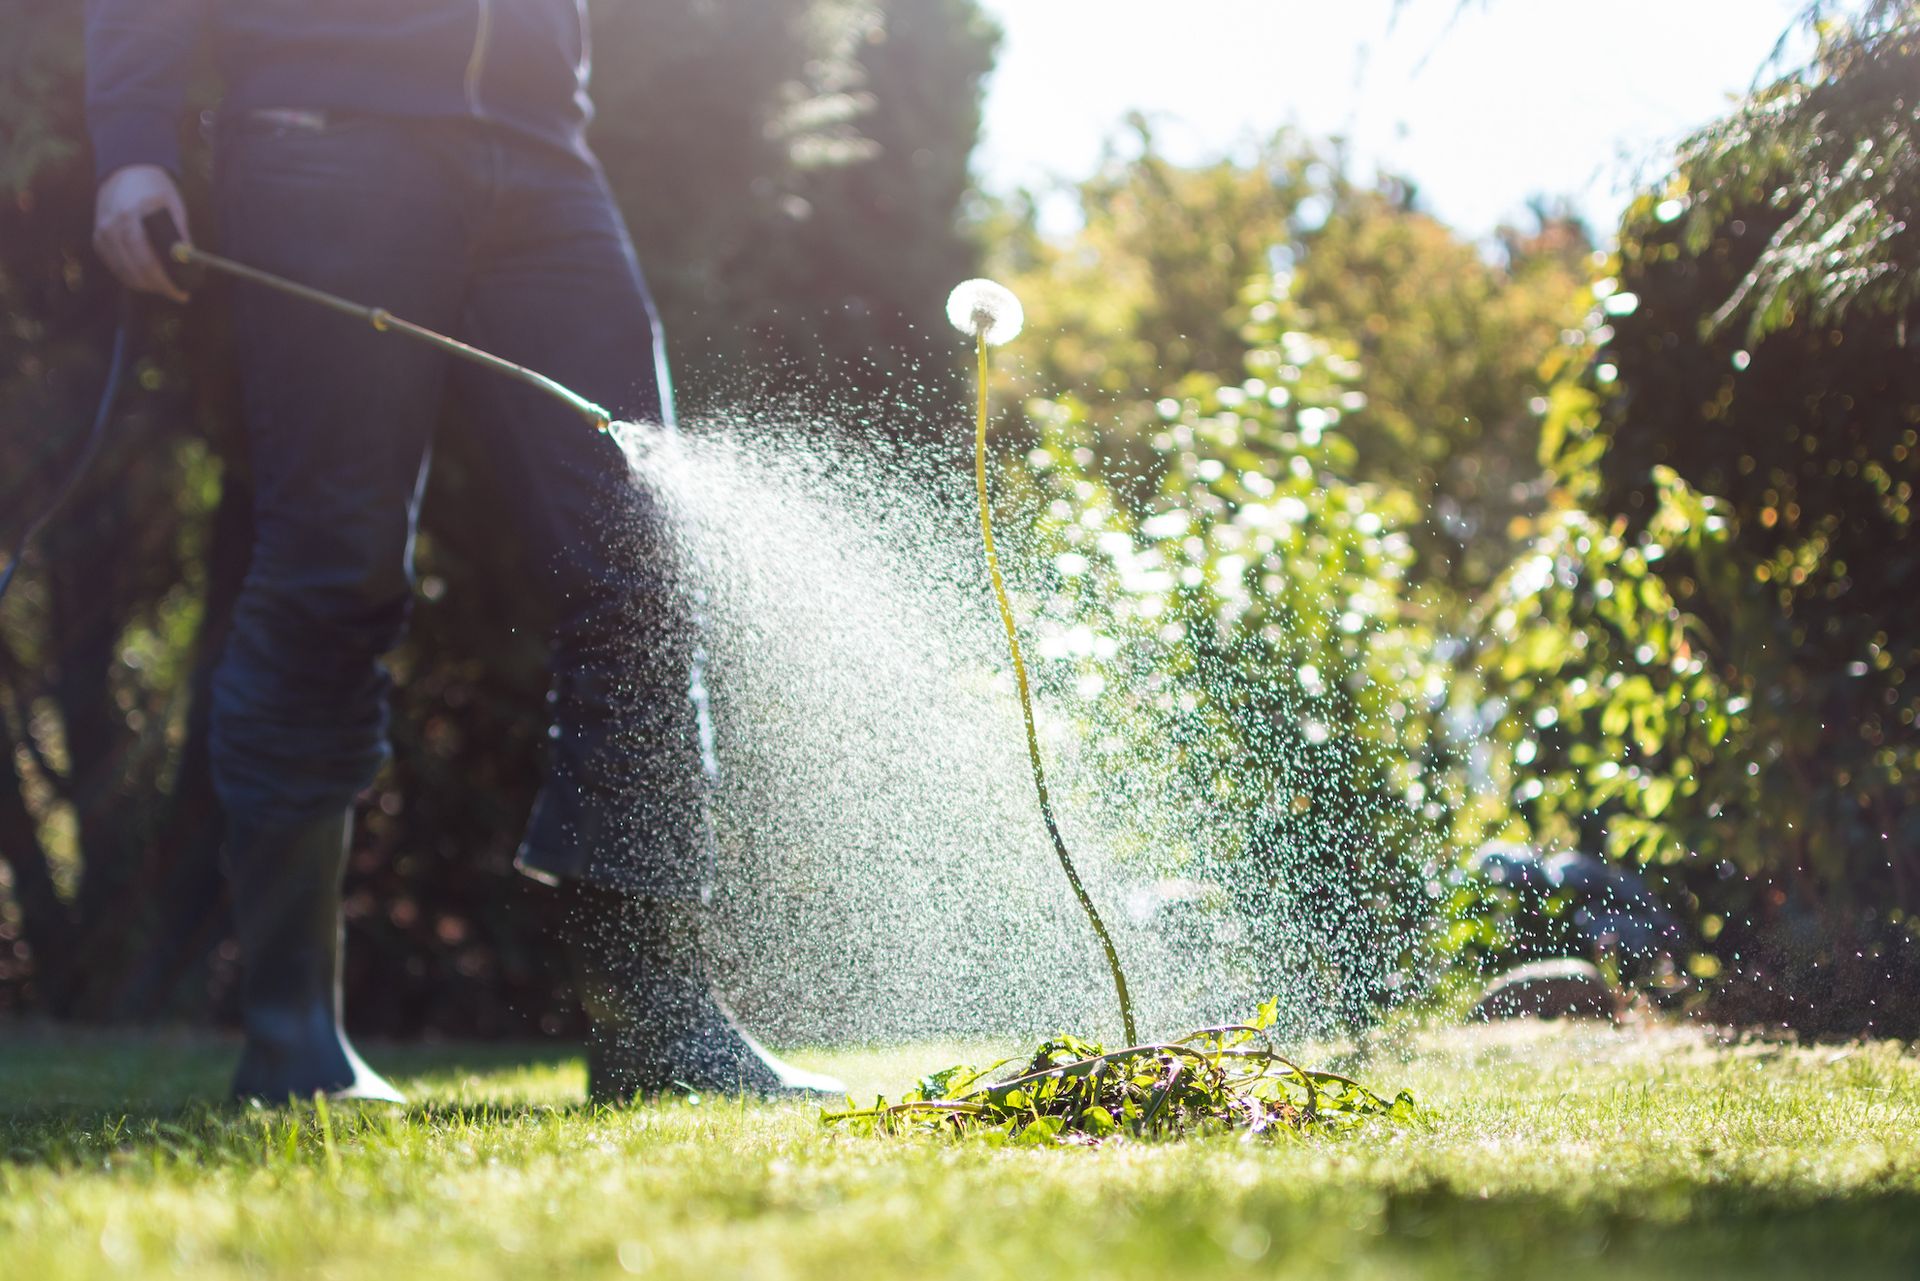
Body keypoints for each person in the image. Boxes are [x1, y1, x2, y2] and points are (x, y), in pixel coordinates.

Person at [85, 0, 842, 1103]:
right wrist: (133, 144)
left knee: (644, 559)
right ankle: (293, 1041)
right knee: (332, 570)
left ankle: (656, 1031)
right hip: (324, 135)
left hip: (544, 156)